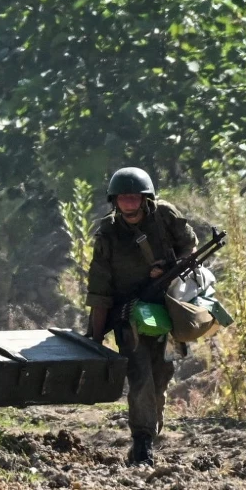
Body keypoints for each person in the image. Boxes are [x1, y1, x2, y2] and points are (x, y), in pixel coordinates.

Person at [85, 168, 197, 466]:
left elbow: (190, 246)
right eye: (124, 198)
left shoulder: (165, 216)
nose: (130, 204)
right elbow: (99, 289)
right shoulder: (108, 234)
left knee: (161, 376)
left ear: (145, 199)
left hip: (167, 309)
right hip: (129, 314)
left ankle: (149, 430)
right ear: (115, 201)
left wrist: (173, 268)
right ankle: (143, 441)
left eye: (135, 198)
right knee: (140, 377)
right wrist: (96, 338)